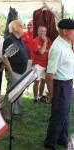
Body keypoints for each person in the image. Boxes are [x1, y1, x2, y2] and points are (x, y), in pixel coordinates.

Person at [44, 18, 74, 150]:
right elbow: (49, 74)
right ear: (65, 31)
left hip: (67, 83)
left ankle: (62, 138)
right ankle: (50, 144)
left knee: (65, 113)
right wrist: (51, 94)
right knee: (58, 116)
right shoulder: (57, 47)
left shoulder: (66, 43)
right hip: (60, 84)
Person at [3, 20, 28, 122]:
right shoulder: (9, 40)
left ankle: (16, 111)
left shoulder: (20, 39)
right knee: (11, 93)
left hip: (21, 72)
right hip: (14, 72)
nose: (23, 27)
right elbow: (5, 58)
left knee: (19, 93)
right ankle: (7, 116)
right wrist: (11, 72)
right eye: (20, 26)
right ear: (13, 29)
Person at [32, 26, 52, 103]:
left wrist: (44, 49)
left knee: (43, 81)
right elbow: (41, 52)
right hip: (37, 64)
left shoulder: (49, 39)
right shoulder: (35, 40)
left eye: (44, 31)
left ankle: (40, 96)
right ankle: (35, 97)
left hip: (46, 64)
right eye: (41, 31)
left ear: (46, 32)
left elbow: (51, 50)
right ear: (37, 32)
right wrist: (45, 43)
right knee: (36, 81)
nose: (42, 33)